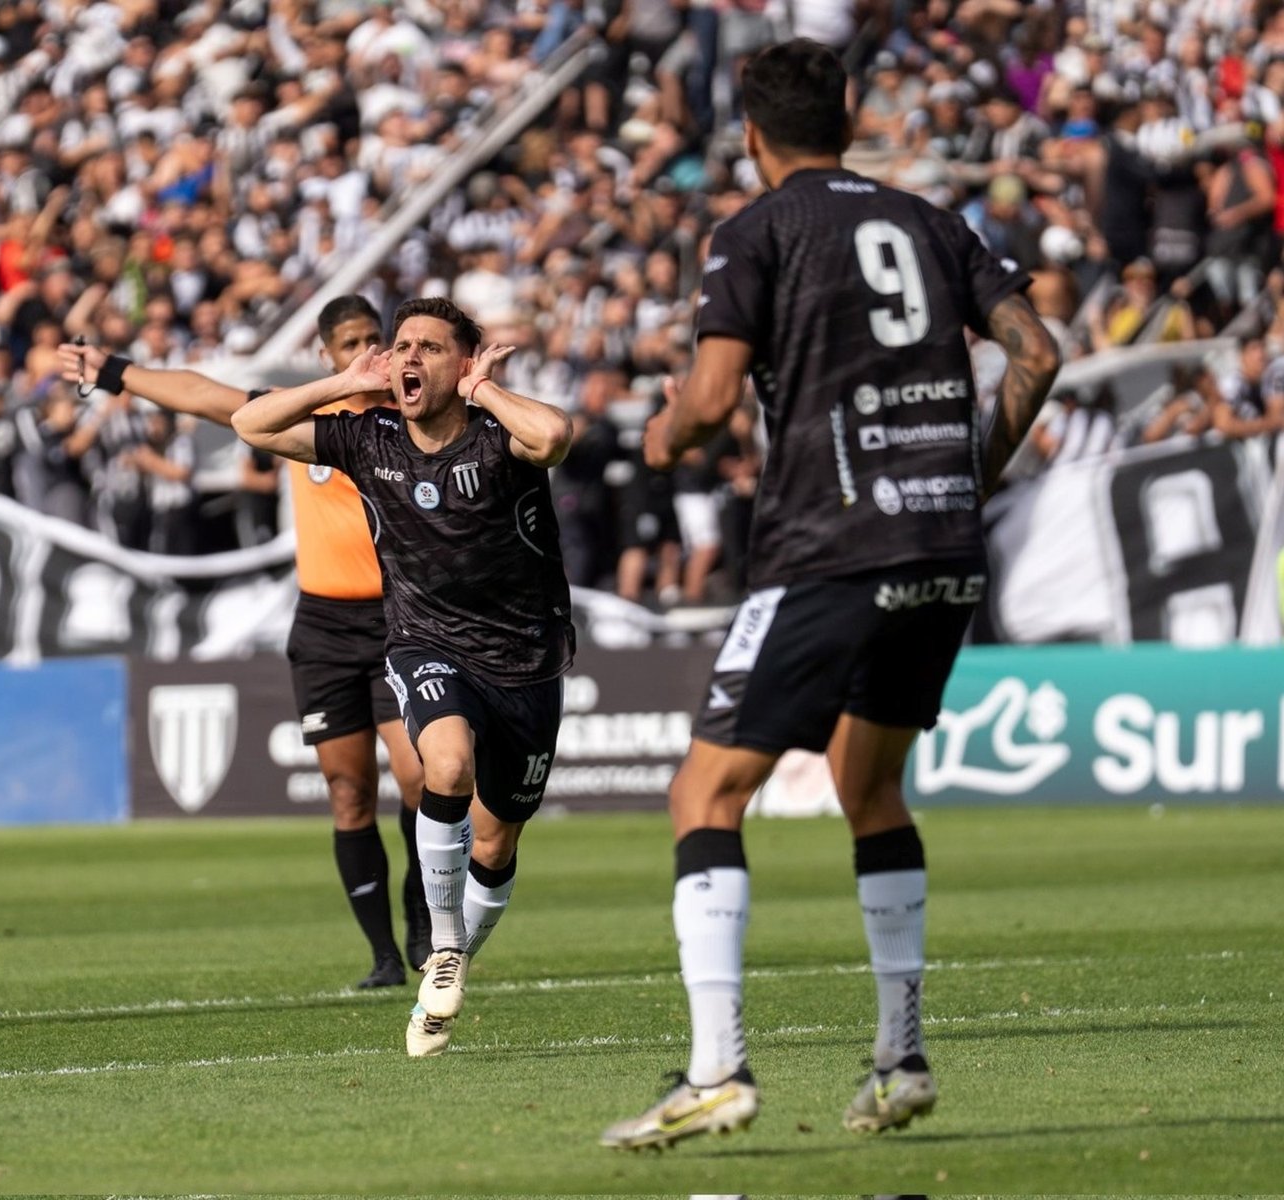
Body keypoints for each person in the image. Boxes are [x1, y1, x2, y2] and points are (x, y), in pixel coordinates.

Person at [600, 40, 1059, 1149]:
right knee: (870, 785)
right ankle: (900, 1059)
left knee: (704, 796)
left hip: (830, 547)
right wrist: (965, 478)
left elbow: (711, 400)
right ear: (848, 120)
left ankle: (717, 1071)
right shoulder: (933, 221)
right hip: (941, 547)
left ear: (751, 134)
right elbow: (1037, 356)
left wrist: (664, 436)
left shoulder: (755, 230)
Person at [230, 297, 575, 1058]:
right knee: (443, 765)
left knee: (497, 843)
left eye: (430, 347)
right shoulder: (369, 436)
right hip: (426, 642)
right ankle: (443, 946)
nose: (409, 356)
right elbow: (249, 425)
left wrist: (485, 390)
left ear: (463, 363)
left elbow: (553, 436)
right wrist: (343, 382)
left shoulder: (499, 436)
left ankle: (449, 969)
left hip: (525, 658)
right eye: (402, 345)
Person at [57, 296, 432, 990]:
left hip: (400, 622)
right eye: (349, 342)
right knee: (348, 791)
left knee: (420, 778)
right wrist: (114, 371)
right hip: (324, 626)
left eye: (372, 339)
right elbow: (204, 396)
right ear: (325, 355)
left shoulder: (410, 417)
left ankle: (421, 909)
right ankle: (382, 956)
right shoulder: (303, 414)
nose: (365, 352)